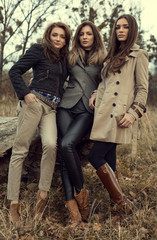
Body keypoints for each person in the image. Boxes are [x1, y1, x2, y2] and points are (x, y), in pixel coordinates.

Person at [7, 22, 71, 223]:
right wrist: (25, 94)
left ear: (66, 40)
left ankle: (41, 197)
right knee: (20, 150)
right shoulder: (38, 50)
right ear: (48, 35)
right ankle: (14, 203)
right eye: (54, 35)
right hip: (33, 103)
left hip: (51, 108)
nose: (58, 39)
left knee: (51, 146)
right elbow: (14, 71)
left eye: (62, 36)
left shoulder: (65, 58)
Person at [88, 14, 149, 215]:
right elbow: (104, 82)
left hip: (119, 113)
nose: (121, 30)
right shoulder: (112, 55)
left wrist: (134, 112)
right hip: (103, 112)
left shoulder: (138, 55)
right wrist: (96, 92)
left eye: (125, 27)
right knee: (109, 158)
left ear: (132, 30)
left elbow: (142, 88)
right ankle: (119, 207)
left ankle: (124, 204)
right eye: (118, 27)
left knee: (96, 156)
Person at [57, 21, 106, 225]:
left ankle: (80, 192)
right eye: (81, 34)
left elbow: (107, 81)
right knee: (66, 151)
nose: (85, 37)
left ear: (95, 36)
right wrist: (38, 81)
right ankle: (73, 210)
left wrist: (97, 92)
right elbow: (58, 75)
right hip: (66, 107)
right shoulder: (70, 57)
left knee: (67, 145)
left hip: (87, 110)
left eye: (89, 34)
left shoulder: (104, 58)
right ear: (77, 37)